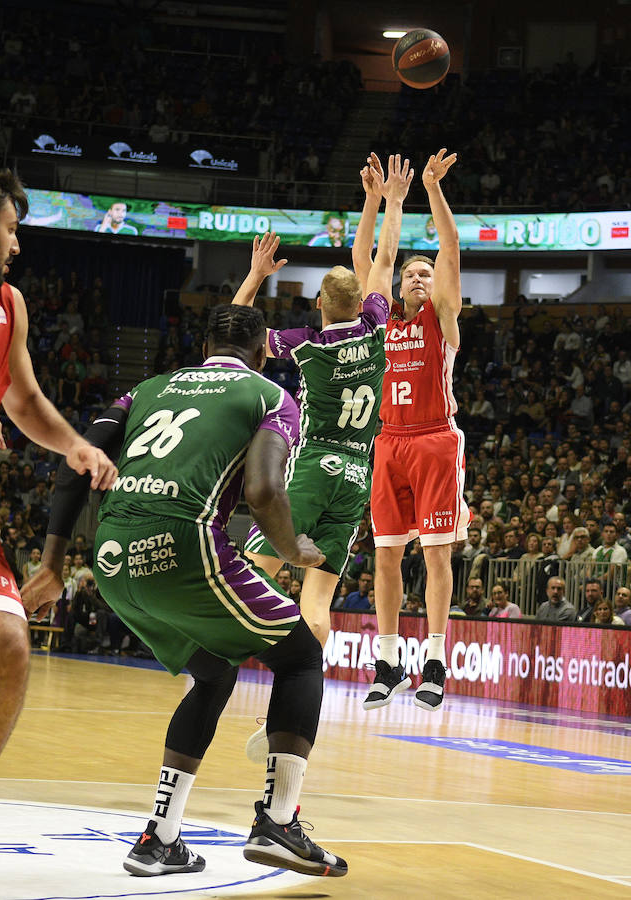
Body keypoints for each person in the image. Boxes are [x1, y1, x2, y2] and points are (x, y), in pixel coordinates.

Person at [22, 304, 347, 879]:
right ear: (264, 350)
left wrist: (52, 563)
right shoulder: (269, 395)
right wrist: (293, 550)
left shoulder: (145, 389)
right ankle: (278, 821)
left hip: (113, 557)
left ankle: (159, 839)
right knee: (300, 657)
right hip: (184, 544)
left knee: (217, 673)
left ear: (203, 348)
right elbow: (266, 489)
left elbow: (76, 463)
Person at [240, 156, 412, 759]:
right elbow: (385, 262)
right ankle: (293, 708)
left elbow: (238, 335)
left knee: (250, 571)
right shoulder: (377, 326)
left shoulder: (308, 344)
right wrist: (387, 199)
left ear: (318, 303)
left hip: (314, 468)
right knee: (316, 602)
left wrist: (257, 274)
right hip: (359, 476)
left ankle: (215, 670)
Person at [0, 169, 116, 767]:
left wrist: (73, 446)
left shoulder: (8, 303)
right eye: (10, 229)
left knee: (9, 639)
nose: (17, 245)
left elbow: (26, 400)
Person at [352, 149, 470, 712]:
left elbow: (449, 248)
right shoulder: (380, 320)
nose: (421, 277)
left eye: (427, 274)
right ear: (399, 286)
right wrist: (377, 201)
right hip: (389, 443)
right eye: (411, 273)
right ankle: (388, 660)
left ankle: (435, 662)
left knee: (438, 556)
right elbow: (367, 258)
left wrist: (431, 190)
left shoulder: (440, 317)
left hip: (434, 438)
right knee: (386, 557)